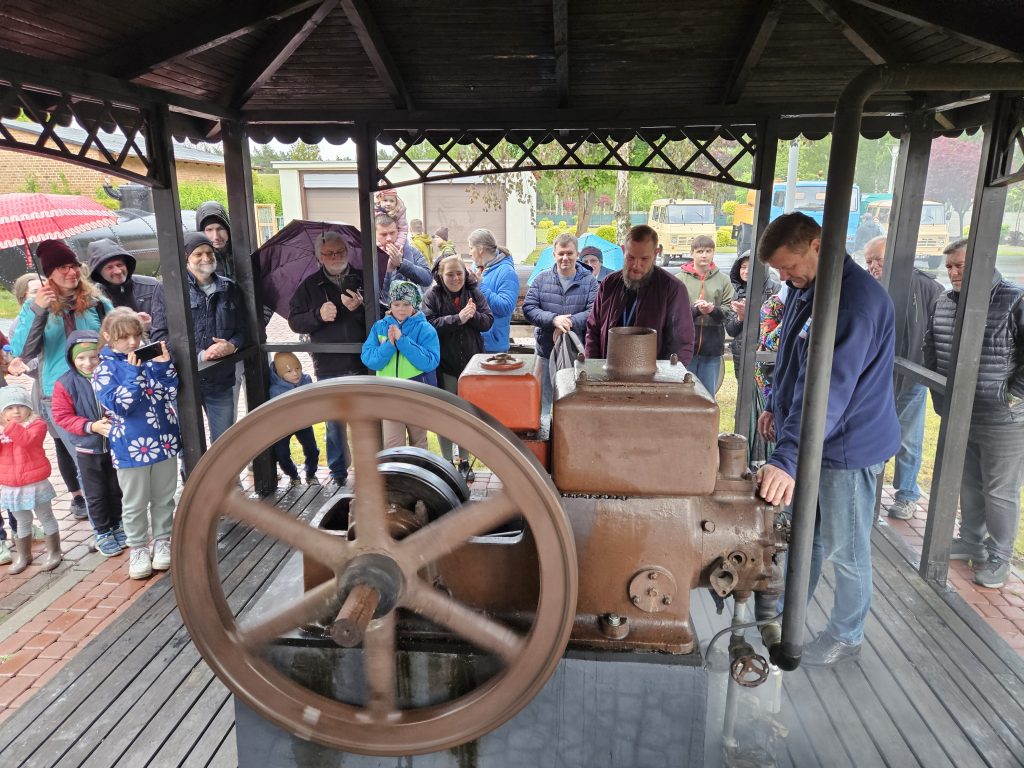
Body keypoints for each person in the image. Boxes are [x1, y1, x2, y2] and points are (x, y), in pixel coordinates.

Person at [755, 212, 900, 667]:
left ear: (816, 245)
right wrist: (774, 405)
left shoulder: (852, 303)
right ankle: (786, 614)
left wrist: (788, 458)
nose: (784, 277)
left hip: (847, 448)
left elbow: (829, 390)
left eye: (788, 266)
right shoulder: (807, 288)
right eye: (778, 271)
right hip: (819, 442)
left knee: (849, 548)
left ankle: (847, 635)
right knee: (809, 536)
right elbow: (793, 356)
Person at [923, 238, 1024, 589]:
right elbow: (930, 347)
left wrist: (1012, 397)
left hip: (1003, 419)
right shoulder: (944, 301)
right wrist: (940, 397)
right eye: (949, 266)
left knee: (999, 489)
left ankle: (1000, 556)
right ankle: (971, 539)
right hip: (960, 413)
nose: (951, 273)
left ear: (982, 263)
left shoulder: (1015, 299)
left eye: (959, 266)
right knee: (967, 481)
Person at [10, 241, 111, 520]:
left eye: (73, 265)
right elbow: (23, 351)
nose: (71, 272)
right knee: (86, 463)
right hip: (59, 395)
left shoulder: (96, 302)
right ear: (49, 273)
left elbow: (116, 336)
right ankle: (101, 525)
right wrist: (39, 310)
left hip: (99, 388)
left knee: (111, 459)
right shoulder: (35, 306)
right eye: (63, 267)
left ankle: (119, 518)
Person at [93, 308, 180, 580]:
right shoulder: (104, 370)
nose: (132, 342)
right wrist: (133, 372)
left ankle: (163, 540)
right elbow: (122, 405)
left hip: (164, 438)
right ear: (107, 337)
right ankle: (139, 547)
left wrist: (165, 366)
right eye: (123, 337)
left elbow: (172, 392)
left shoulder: (150, 358)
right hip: (130, 446)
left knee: (164, 496)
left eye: (136, 335)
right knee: (134, 502)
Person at [863, 236, 942, 521]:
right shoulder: (867, 287)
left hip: (912, 376)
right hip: (876, 377)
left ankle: (907, 494)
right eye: (869, 260)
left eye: (878, 261)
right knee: (872, 433)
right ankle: (868, 492)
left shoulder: (927, 286)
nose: (872, 266)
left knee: (908, 437)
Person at [287, 231, 367, 487]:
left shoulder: (363, 278)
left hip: (363, 362)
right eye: (329, 253)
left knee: (365, 421)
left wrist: (363, 307)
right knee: (334, 425)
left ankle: (370, 471)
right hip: (329, 363)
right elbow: (294, 321)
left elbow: (386, 311)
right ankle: (338, 473)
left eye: (340, 252)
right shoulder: (309, 285)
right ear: (319, 257)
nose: (336, 257)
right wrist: (318, 315)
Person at [50, 330, 124, 557]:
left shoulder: (112, 375)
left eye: (94, 357)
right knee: (95, 493)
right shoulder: (65, 384)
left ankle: (117, 524)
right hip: (87, 448)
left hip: (115, 445)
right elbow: (61, 416)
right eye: (81, 358)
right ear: (72, 359)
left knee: (116, 488)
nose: (88, 363)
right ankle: (102, 531)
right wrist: (90, 426)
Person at [423, 253, 494, 474]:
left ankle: (464, 461)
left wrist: (471, 316)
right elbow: (427, 325)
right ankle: (446, 462)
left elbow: (488, 322)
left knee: (466, 416)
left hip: (471, 367)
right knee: (444, 416)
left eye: (459, 273)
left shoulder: (474, 293)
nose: (455, 278)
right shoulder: (432, 296)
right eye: (450, 274)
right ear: (440, 276)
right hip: (444, 367)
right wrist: (457, 319)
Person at [585, 224, 694, 363]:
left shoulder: (672, 289)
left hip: (652, 378)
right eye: (630, 257)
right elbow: (593, 331)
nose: (636, 265)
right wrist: (594, 368)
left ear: (656, 253)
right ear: (623, 250)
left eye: (644, 259)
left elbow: (682, 344)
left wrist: (666, 379)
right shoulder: (609, 284)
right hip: (608, 373)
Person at [523, 233, 598, 416]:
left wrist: (569, 322)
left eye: (569, 253)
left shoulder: (589, 282)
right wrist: (554, 319)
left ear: (577, 254)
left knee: (573, 404)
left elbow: (594, 312)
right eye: (561, 253)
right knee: (545, 404)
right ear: (554, 255)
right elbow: (529, 308)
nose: (565, 258)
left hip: (576, 354)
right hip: (546, 352)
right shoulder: (541, 280)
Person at [361, 281, 440, 449]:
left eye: (406, 304)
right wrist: (389, 345)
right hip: (388, 394)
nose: (401, 309)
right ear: (390, 304)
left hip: (417, 392)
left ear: (414, 304)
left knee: (418, 441)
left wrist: (402, 341)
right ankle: (396, 476)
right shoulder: (380, 327)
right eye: (397, 304)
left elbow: (429, 362)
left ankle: (418, 475)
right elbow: (370, 359)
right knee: (392, 443)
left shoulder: (426, 329)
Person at [185, 231, 246, 444]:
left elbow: (243, 329)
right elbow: (162, 335)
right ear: (187, 259)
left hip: (220, 378)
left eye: (209, 253)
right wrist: (201, 355)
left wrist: (233, 346)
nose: (206, 258)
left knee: (225, 443)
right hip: (185, 381)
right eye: (198, 254)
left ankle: (229, 479)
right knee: (190, 445)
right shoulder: (171, 290)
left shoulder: (229, 288)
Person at [0, 386, 62, 575]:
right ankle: (23, 555)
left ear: (29, 407)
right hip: (11, 485)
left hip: (35, 483)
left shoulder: (37, 425)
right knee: (22, 520)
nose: (16, 411)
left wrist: (9, 427)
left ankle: (54, 552)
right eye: (9, 408)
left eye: (20, 406)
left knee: (45, 516)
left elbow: (27, 441)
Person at [677, 235, 734, 397]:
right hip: (686, 346)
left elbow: (728, 310)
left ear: (713, 253)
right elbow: (674, 312)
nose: (704, 255)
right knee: (685, 395)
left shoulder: (723, 280)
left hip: (712, 347)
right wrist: (695, 311)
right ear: (692, 253)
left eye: (708, 251)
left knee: (708, 395)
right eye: (700, 251)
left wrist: (712, 310)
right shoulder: (680, 280)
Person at [87, 238, 168, 342]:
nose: (118, 271)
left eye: (120, 264)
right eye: (109, 267)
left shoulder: (152, 285)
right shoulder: (94, 298)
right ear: (98, 272)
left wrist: (152, 325)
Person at [725, 251, 780, 379]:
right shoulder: (738, 292)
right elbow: (731, 330)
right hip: (741, 353)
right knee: (743, 394)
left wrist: (751, 314)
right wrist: (740, 318)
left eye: (750, 267)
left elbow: (777, 326)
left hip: (765, 353)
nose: (745, 271)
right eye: (743, 267)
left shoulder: (775, 290)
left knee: (764, 394)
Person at [268, 352, 320, 488]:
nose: (296, 374)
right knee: (281, 453)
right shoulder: (275, 390)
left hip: (303, 423)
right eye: (289, 371)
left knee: (312, 450)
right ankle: (293, 475)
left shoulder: (306, 380)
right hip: (283, 427)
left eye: (298, 369)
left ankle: (311, 474)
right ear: (280, 374)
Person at [468, 228, 519, 354]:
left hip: (493, 346)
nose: (469, 253)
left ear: (480, 249)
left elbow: (505, 307)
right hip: (473, 341)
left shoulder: (506, 272)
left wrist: (480, 286)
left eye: (471, 248)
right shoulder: (475, 268)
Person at [378, 214, 432, 305]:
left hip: (410, 312)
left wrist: (401, 264)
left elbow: (427, 279)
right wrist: (386, 271)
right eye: (383, 234)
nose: (389, 238)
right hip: (382, 314)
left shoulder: (411, 251)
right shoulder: (370, 256)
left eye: (392, 233)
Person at [196, 200, 233, 279]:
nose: (216, 236)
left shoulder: (242, 253)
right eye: (209, 230)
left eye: (220, 229)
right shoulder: (195, 260)